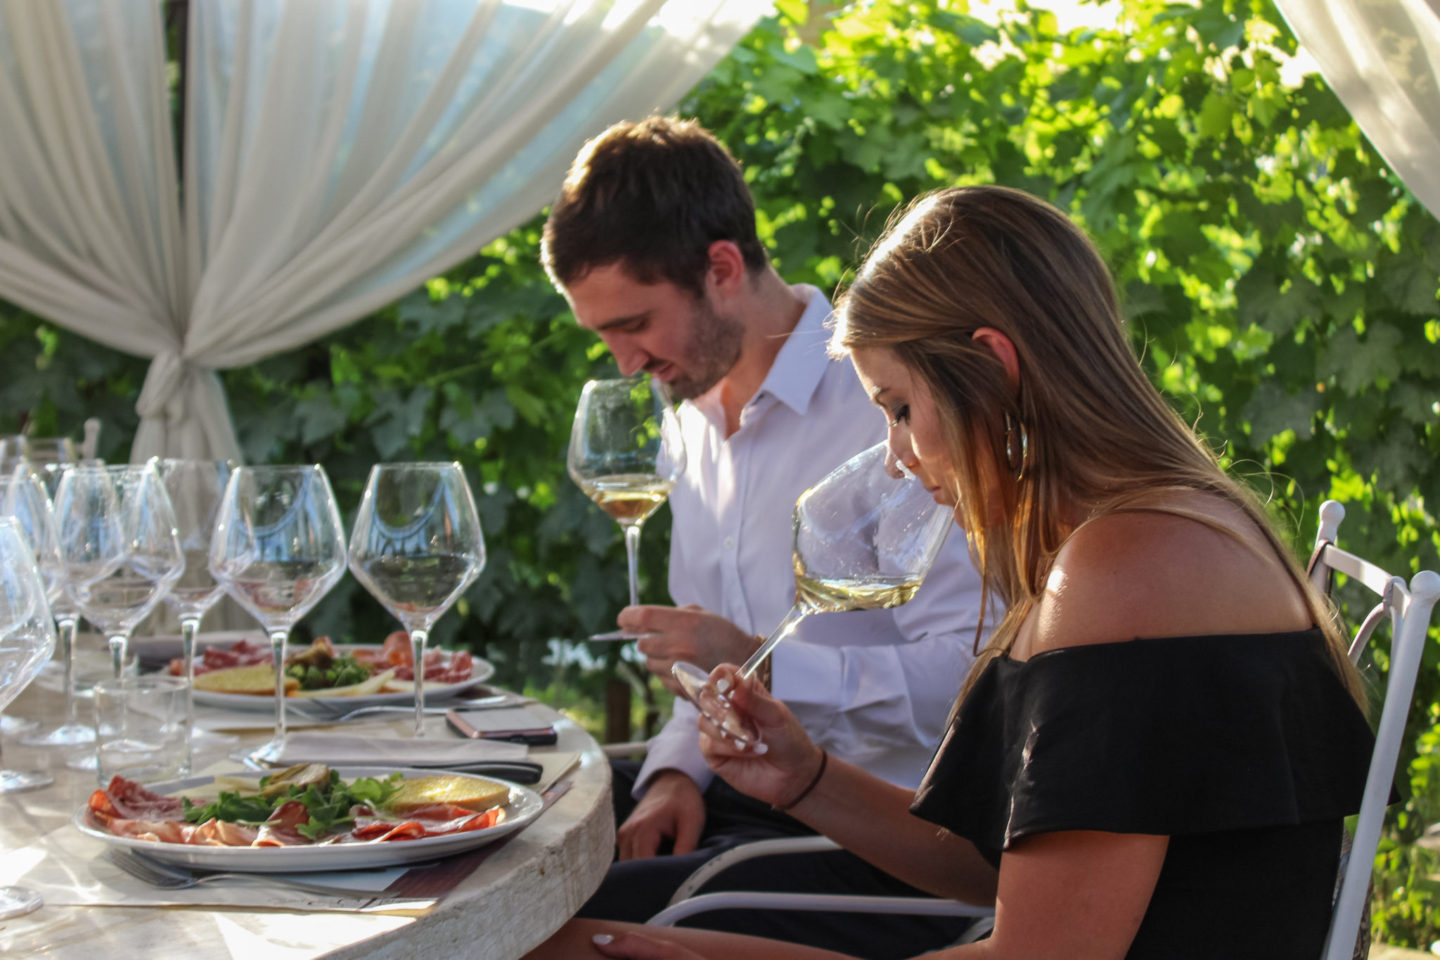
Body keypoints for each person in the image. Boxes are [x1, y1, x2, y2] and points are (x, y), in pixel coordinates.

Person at [527, 185, 1375, 959]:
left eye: (899, 408)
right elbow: (1012, 865)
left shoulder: (1124, 572)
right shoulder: (1158, 533)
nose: (894, 457)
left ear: (992, 366)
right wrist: (807, 779)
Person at [539, 116, 989, 958]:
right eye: (603, 336)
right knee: (518, 843)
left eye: (635, 324)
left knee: (540, 924)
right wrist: (678, 769)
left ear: (721, 267)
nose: (625, 364)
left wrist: (766, 664)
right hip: (747, 793)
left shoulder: (892, 412)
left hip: (891, 836)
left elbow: (972, 680)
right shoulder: (694, 426)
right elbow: (704, 655)